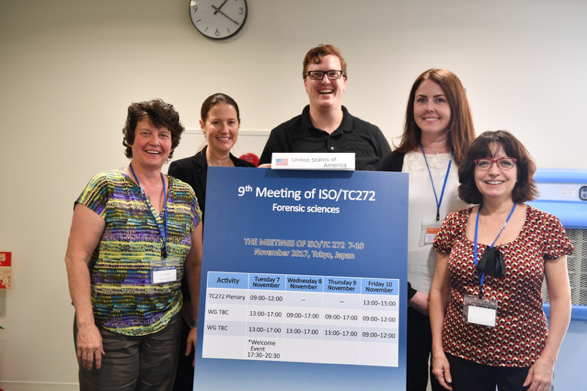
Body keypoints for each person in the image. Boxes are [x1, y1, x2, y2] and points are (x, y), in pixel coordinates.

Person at [64, 99, 203, 391]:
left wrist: (197, 323)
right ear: (130, 138)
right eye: (146, 133)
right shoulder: (105, 186)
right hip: (109, 328)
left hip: (165, 326)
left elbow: (195, 263)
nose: (155, 142)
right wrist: (87, 325)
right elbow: (76, 257)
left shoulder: (185, 195)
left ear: (172, 142)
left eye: (163, 135)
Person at [430, 130, 573, 391]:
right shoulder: (454, 223)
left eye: (505, 162)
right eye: (483, 163)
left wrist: (548, 360)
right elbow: (439, 291)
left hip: (524, 360)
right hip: (459, 355)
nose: (493, 172)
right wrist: (437, 351)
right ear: (473, 172)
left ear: (519, 171)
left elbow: (561, 299)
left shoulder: (546, 226)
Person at [378, 69, 476, 391]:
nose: (429, 108)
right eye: (421, 100)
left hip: (460, 304)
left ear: (455, 107)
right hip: (404, 301)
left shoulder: (476, 164)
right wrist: (409, 295)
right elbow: (377, 238)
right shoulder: (392, 163)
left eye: (439, 99)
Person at [167, 93, 254, 390]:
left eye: (231, 122)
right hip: (193, 287)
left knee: (229, 373)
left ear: (239, 125)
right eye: (216, 122)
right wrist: (190, 300)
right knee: (190, 370)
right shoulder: (181, 170)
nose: (224, 129)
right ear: (203, 125)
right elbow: (177, 238)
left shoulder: (248, 173)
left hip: (236, 290)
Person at [259, 44, 391, 170]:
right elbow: (263, 190)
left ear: (344, 82)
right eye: (316, 74)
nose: (325, 81)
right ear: (305, 83)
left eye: (333, 74)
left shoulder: (373, 136)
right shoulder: (281, 136)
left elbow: (392, 188)